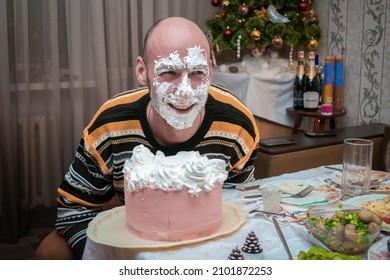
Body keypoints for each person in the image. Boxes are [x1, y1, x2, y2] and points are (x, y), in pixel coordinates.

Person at [34, 16, 260, 260]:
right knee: (49, 253)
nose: (185, 92)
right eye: (169, 72)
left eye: (197, 72)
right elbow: (73, 210)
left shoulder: (237, 125)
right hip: (135, 238)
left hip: (207, 246)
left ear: (211, 72)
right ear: (142, 71)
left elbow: (238, 203)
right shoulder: (111, 125)